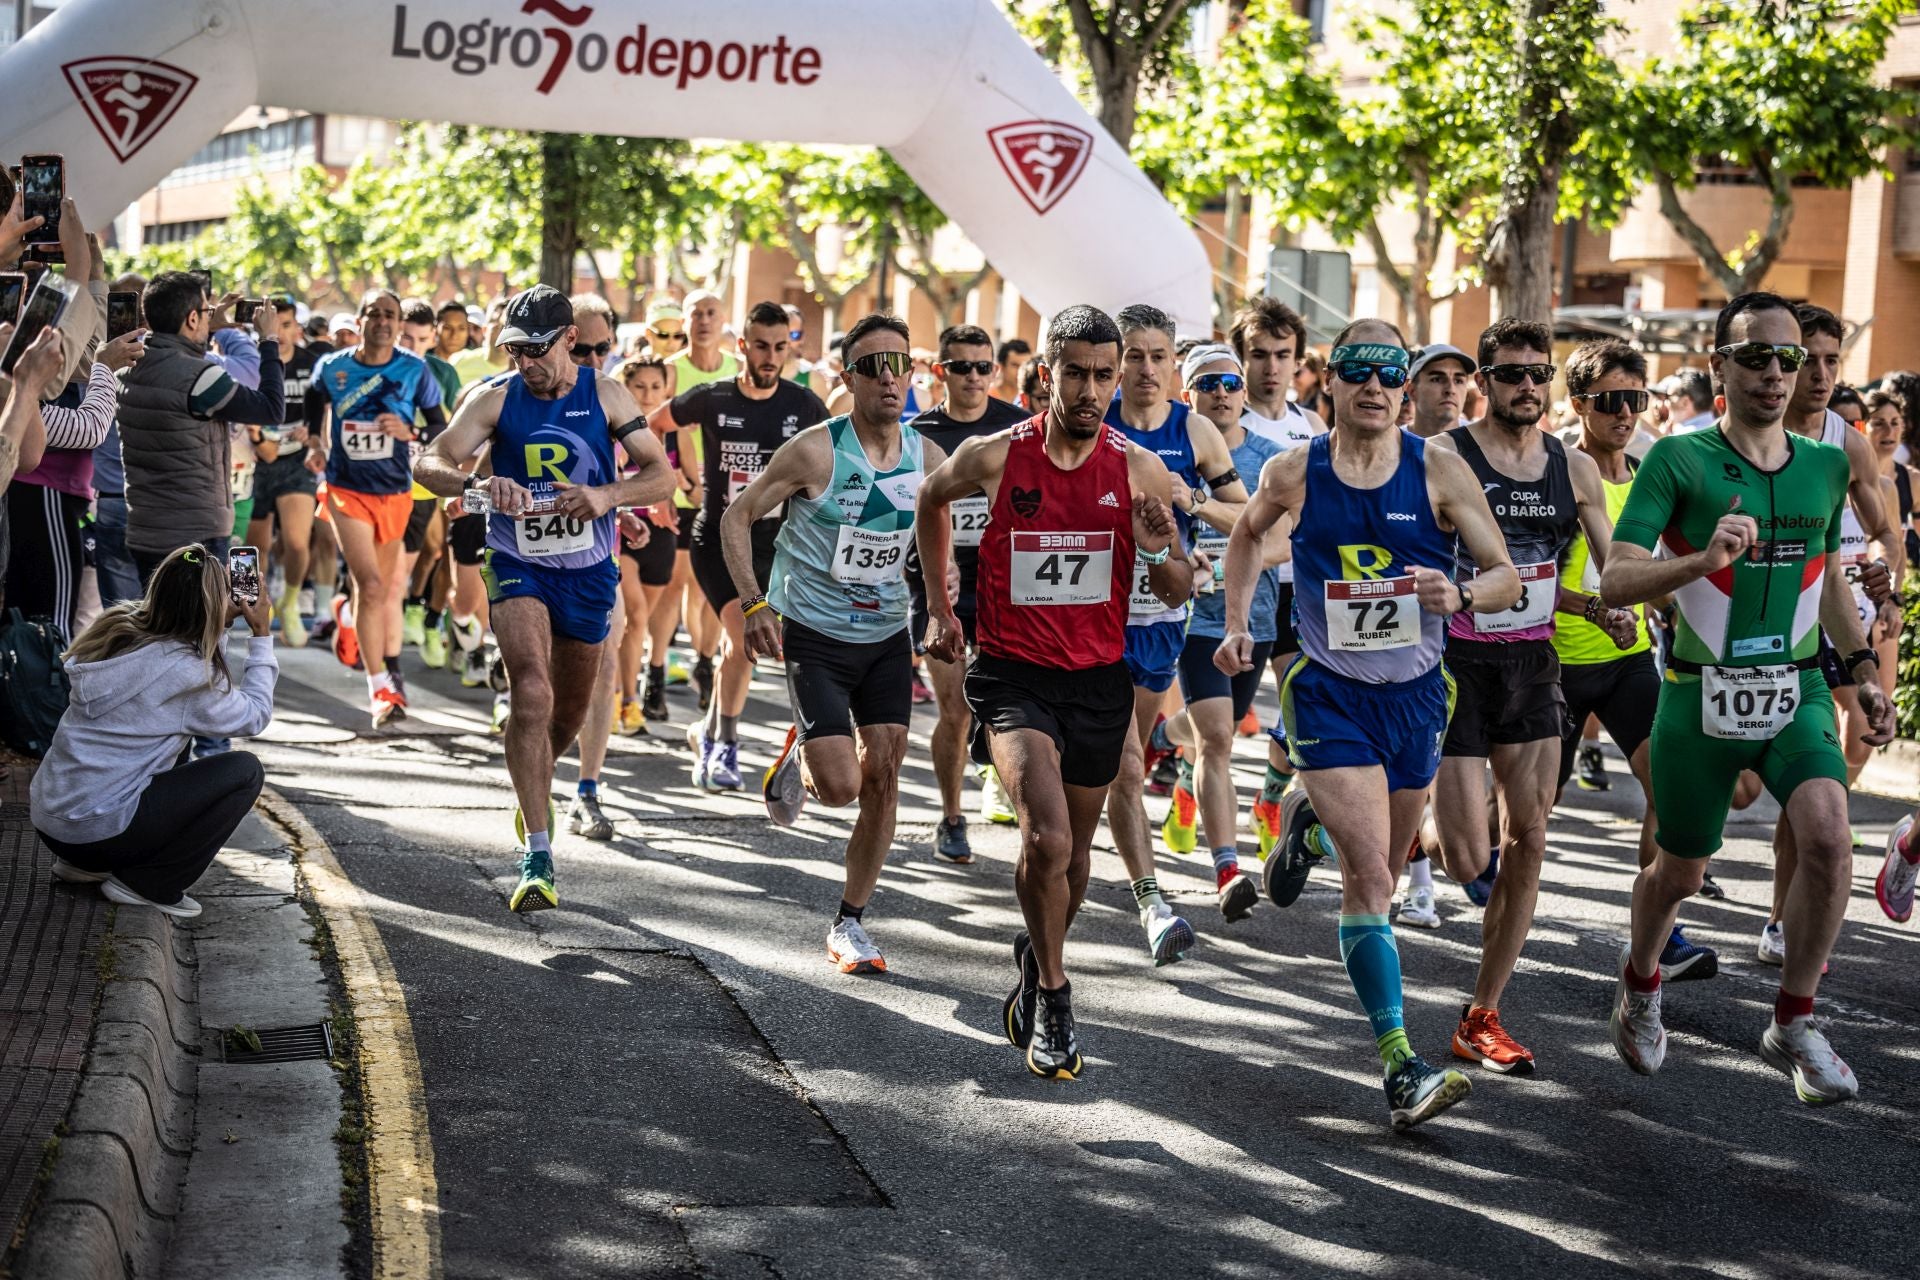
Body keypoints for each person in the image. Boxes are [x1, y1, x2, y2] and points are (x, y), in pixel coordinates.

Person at [1217, 318, 1519, 1128]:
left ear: (1407, 386)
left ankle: (1307, 836)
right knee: (1376, 887)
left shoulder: (1441, 472)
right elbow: (1246, 538)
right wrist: (1238, 622)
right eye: (1359, 370)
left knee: (1382, 865)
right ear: (1333, 381)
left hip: (1417, 696)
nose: (1377, 385)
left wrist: (1458, 596)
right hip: (1329, 693)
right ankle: (1400, 1065)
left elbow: (1505, 577)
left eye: (1392, 371)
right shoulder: (1295, 471)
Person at [1603, 291, 1894, 1105]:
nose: (1775, 373)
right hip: (1701, 697)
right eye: (1756, 357)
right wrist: (1697, 561)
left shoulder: (1827, 464)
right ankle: (1640, 980)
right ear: (1717, 367)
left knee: (1830, 839)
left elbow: (1823, 578)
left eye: (1789, 358)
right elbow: (1617, 576)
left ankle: (1795, 1018)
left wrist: (1863, 674)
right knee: (1680, 874)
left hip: (1796, 687)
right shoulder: (1679, 461)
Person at [919, 304, 1188, 1079]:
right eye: (1078, 373)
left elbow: (1173, 591)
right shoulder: (996, 455)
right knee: (1048, 841)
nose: (1093, 389)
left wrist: (1158, 542)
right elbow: (931, 499)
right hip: (1012, 674)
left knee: (1072, 870)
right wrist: (942, 606)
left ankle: (1036, 956)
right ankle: (1057, 1002)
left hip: (1100, 679)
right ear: (1047, 374)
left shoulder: (1139, 469)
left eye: (1106, 374)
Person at [415, 286, 673, 912]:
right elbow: (429, 462)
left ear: (566, 341)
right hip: (517, 564)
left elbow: (660, 475)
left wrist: (608, 497)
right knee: (530, 690)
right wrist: (479, 485)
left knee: (566, 714)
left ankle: (536, 782)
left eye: (536, 349)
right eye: (514, 349)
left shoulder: (606, 394)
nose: (525, 361)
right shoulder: (495, 399)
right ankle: (538, 851)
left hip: (587, 573)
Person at [1422, 318, 1627, 1076]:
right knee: (1469, 857)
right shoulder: (1445, 457)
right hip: (1454, 663)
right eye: (1512, 375)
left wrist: (1616, 600)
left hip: (1534, 663)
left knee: (1531, 835)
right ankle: (1414, 825)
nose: (1528, 388)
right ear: (1484, 379)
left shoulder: (1573, 469)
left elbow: (1615, 559)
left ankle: (1483, 1015)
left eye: (1540, 374)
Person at [726, 313, 945, 973]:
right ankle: (806, 743)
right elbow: (737, 518)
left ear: (911, 374)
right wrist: (755, 601)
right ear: (847, 376)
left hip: (884, 637)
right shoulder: (816, 450)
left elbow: (938, 540)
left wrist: (942, 602)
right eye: (872, 366)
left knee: (886, 770)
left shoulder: (927, 457)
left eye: (898, 364)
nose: (888, 378)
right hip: (815, 636)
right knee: (843, 787)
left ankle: (851, 922)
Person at [1552, 340, 1718, 980]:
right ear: (1579, 406)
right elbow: (1529, 581)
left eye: (1635, 399)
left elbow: (1651, 569)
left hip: (1630, 662)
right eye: (1610, 401)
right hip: (1558, 665)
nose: (1625, 413)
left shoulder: (1647, 476)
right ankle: (1428, 840)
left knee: (1668, 789)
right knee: (1511, 821)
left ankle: (1657, 937)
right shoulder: (1561, 474)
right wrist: (1592, 610)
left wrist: (1673, 606)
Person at [1757, 303, 1906, 966]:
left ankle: (1785, 920)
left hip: (1830, 621)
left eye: (1828, 362)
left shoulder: (1846, 442)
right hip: (1745, 634)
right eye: (1800, 359)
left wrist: (1887, 583)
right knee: (1722, 807)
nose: (1815, 376)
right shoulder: (1746, 436)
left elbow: (1885, 531)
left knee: (1825, 790)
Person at [1102, 303, 1246, 963]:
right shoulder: (1091, 422)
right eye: (1135, 355)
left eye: (1160, 356)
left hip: (1159, 618)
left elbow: (1245, 518)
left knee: (1125, 758)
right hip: (1087, 618)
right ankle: (1151, 901)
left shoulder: (1195, 432)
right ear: (1117, 361)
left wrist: (1192, 504)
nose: (1148, 369)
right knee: (1126, 767)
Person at [31, 545, 274, 920]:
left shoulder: (118, 629)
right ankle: (151, 884)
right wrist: (260, 634)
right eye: (229, 592)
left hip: (54, 822)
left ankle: (83, 864)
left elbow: (197, 655)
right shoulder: (187, 676)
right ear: (208, 608)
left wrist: (216, 624)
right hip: (97, 832)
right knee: (244, 772)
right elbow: (255, 715)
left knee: (178, 737)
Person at [650, 301, 826, 790]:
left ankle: (706, 732)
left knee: (740, 646)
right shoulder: (712, 397)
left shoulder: (803, 405)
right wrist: (664, 488)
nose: (771, 357)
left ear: (789, 347)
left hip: (776, 541)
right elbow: (650, 428)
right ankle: (724, 745)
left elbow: (832, 458)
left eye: (780, 347)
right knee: (746, 637)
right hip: (720, 537)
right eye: (761, 347)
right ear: (742, 346)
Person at [1157, 343, 1285, 919]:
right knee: (1219, 740)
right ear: (1189, 396)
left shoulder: (1272, 461)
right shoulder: (1167, 452)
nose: (1223, 394)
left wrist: (1205, 507)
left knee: (1222, 729)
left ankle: (1168, 743)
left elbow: (1282, 540)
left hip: (1254, 616)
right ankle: (1228, 868)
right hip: (1194, 614)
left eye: (1231, 383)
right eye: (1208, 384)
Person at [904, 324, 1031, 862]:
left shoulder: (1020, 428)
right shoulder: (919, 432)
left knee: (1015, 708)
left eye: (983, 367)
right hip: (940, 584)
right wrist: (936, 566)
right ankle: (951, 816)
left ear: (996, 373)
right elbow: (905, 510)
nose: (974, 377)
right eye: (962, 367)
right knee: (954, 709)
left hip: (1006, 583)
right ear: (941, 373)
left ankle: (1022, 804)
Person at [304, 290, 445, 727]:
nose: (383, 321)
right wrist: (313, 440)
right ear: (361, 320)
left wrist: (409, 431)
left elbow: (439, 423)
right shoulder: (333, 366)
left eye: (391, 315)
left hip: (395, 491)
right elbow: (314, 400)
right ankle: (380, 685)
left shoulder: (414, 369)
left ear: (399, 323)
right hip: (347, 489)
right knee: (368, 581)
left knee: (384, 588)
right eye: (375, 313)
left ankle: (350, 619)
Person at [1227, 297, 1326, 858]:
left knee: (1300, 706)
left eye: (1281, 355)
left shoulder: (1310, 425)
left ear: (1298, 362)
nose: (1270, 367)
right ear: (1242, 359)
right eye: (1259, 354)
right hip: (1241, 587)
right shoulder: (1226, 424)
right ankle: (1174, 744)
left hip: (1301, 588)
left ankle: (1268, 800)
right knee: (1218, 714)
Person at [119, 272, 286, 583]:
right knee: (202, 629)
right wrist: (268, 340)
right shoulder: (200, 377)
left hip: (144, 530)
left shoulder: (128, 365)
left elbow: (176, 360)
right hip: (196, 534)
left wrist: (215, 328)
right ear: (192, 318)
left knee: (158, 627)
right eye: (208, 312)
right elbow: (272, 408)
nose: (212, 319)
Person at [244, 298, 322, 645]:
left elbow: (325, 409)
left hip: (297, 461)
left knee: (296, 541)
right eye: (275, 325)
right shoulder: (254, 359)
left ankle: (290, 603)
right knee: (250, 549)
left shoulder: (313, 364)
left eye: (287, 324)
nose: (282, 332)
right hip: (256, 460)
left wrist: (313, 431)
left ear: (297, 327)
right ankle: (249, 608)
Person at [397, 298, 463, 671]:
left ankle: (422, 615)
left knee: (439, 550)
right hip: (383, 480)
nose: (412, 346)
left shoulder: (442, 373)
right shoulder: (375, 366)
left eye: (421, 338)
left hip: (432, 474)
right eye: (407, 337)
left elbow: (452, 427)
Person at [615, 354, 679, 731]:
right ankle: (627, 700)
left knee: (641, 623)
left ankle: (629, 690)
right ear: (625, 387)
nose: (648, 394)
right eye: (640, 386)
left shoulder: (673, 430)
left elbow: (689, 482)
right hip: (623, 531)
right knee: (634, 615)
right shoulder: (612, 427)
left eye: (656, 387)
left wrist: (675, 492)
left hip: (662, 535)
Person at [1405, 344, 1474, 440]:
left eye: (1458, 381)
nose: (1450, 390)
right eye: (1437, 379)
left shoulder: (1483, 444)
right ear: (1412, 391)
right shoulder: (1393, 445)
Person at [993, 338, 1032, 403]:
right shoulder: (987, 398)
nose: (1020, 371)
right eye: (1015, 365)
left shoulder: (1031, 401)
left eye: (1025, 365)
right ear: (1001, 366)